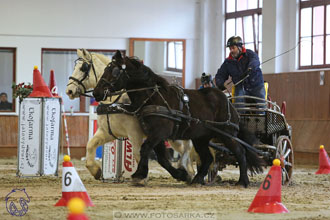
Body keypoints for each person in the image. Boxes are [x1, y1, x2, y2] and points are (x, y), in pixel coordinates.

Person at [215, 36, 265, 105]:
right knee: (238, 105)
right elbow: (220, 75)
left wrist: (250, 68)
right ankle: (239, 115)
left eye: (233, 48)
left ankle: (261, 114)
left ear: (239, 47)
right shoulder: (228, 62)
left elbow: (255, 61)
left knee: (261, 104)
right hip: (240, 87)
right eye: (230, 48)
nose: (231, 51)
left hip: (256, 85)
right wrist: (220, 83)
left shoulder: (250, 54)